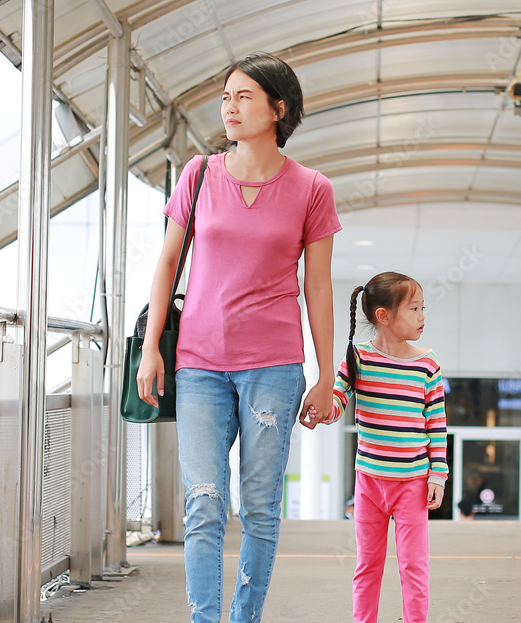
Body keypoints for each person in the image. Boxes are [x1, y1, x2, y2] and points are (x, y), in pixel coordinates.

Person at [136, 51, 341, 623]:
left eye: (244, 96)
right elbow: (168, 262)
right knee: (204, 503)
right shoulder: (199, 174)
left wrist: (326, 377)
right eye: (225, 96)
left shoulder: (312, 188)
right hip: (199, 363)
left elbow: (318, 288)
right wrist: (153, 347)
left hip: (273, 366)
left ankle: (242, 618)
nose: (229, 107)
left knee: (259, 508)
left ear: (279, 108)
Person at [306, 271, 448, 623]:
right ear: (383, 316)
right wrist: (321, 410)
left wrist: (438, 475)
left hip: (413, 483)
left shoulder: (427, 364)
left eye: (422, 308)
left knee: (413, 566)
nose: (422, 316)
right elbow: (337, 400)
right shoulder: (359, 358)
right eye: (414, 309)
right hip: (369, 482)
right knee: (368, 565)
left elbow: (437, 426)